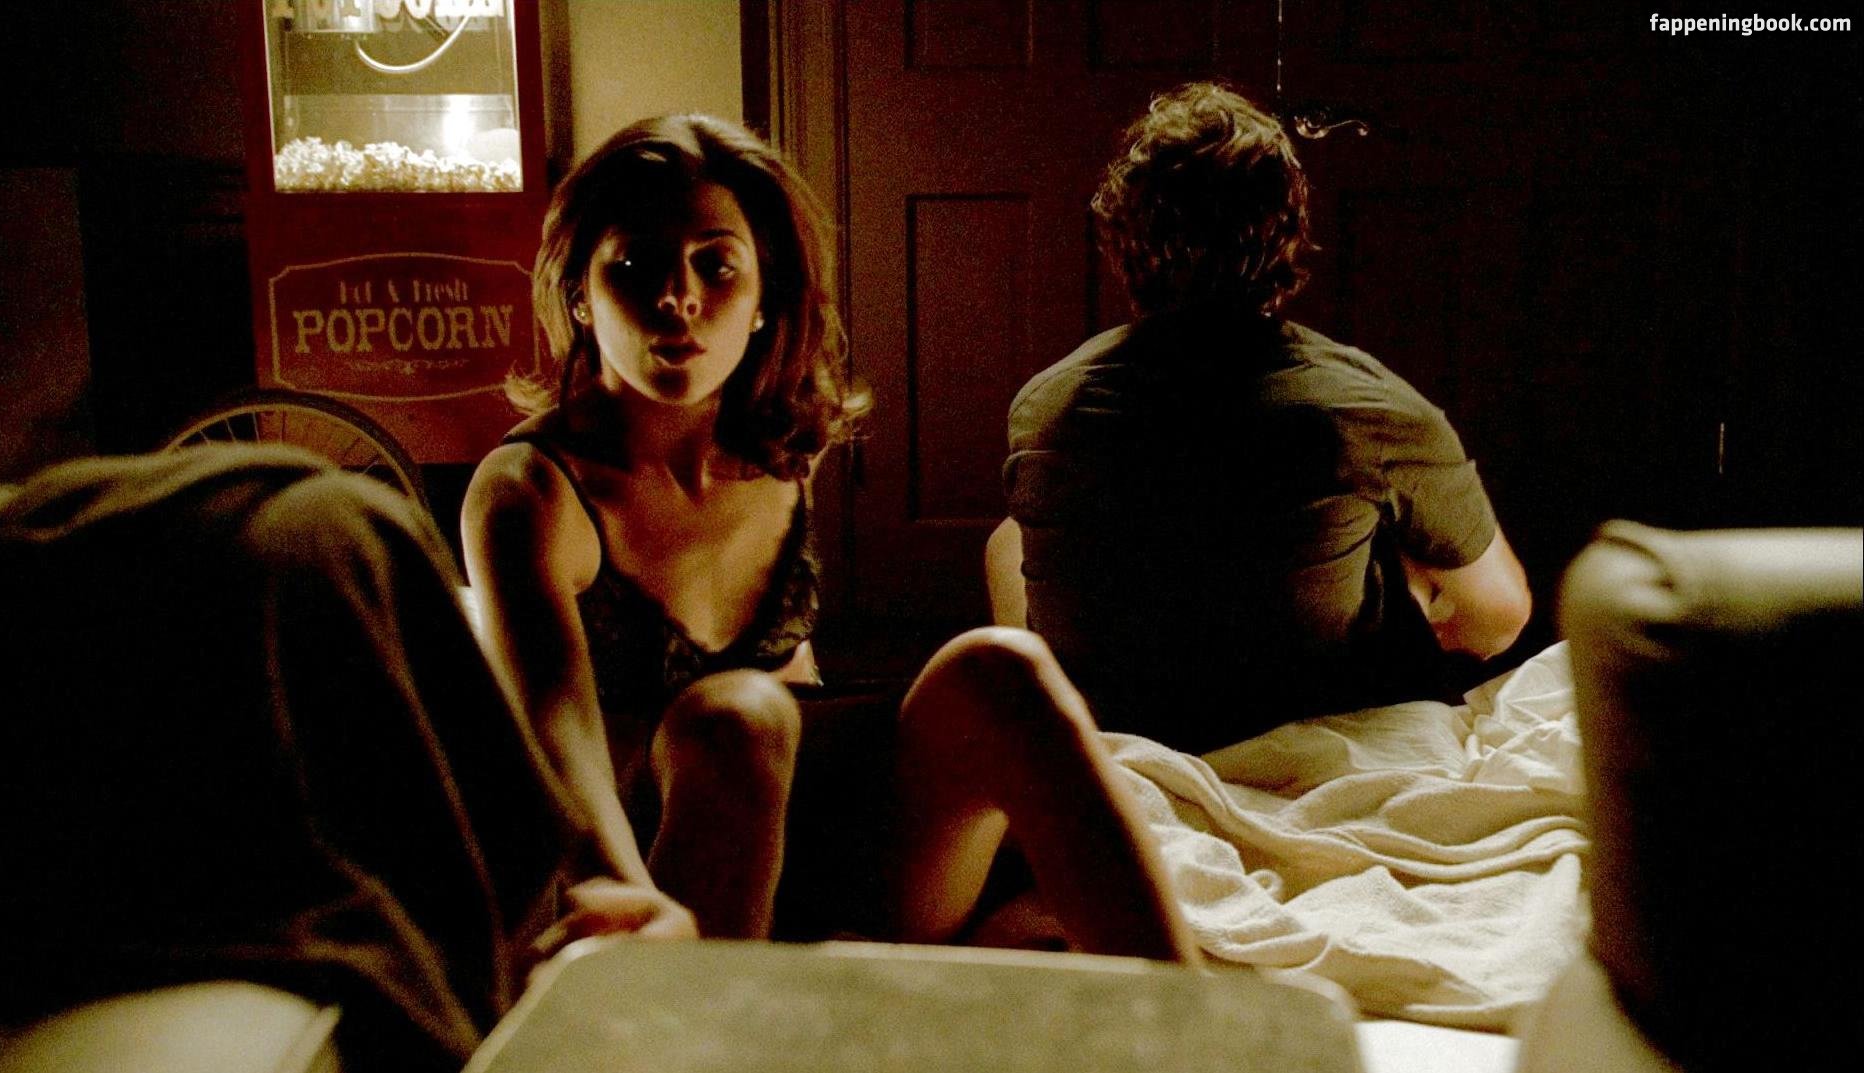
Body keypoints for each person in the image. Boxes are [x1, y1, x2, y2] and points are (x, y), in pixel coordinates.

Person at [462, 114, 1195, 961]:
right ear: (579, 295)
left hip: (822, 845)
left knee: (1003, 665)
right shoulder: (529, 492)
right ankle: (705, 1013)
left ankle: (1198, 1013)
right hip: (654, 877)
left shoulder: (779, 450)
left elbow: (798, 677)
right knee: (738, 718)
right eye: (634, 266)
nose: (678, 297)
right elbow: (556, 743)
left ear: (762, 298)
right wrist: (625, 902)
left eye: (716, 264)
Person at [0, 445, 692, 1071]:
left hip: (255, 551)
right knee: (306, 549)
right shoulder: (525, 487)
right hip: (186, 587)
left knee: (319, 538)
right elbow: (554, 712)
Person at [991, 83, 1532, 755]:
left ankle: (1055, 704)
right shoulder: (1368, 407)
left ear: (1121, 240)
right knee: (1408, 548)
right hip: (1309, 720)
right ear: (1289, 233)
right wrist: (1412, 599)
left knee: (1009, 538)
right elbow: (1496, 619)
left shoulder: (1046, 406)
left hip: (1122, 722)